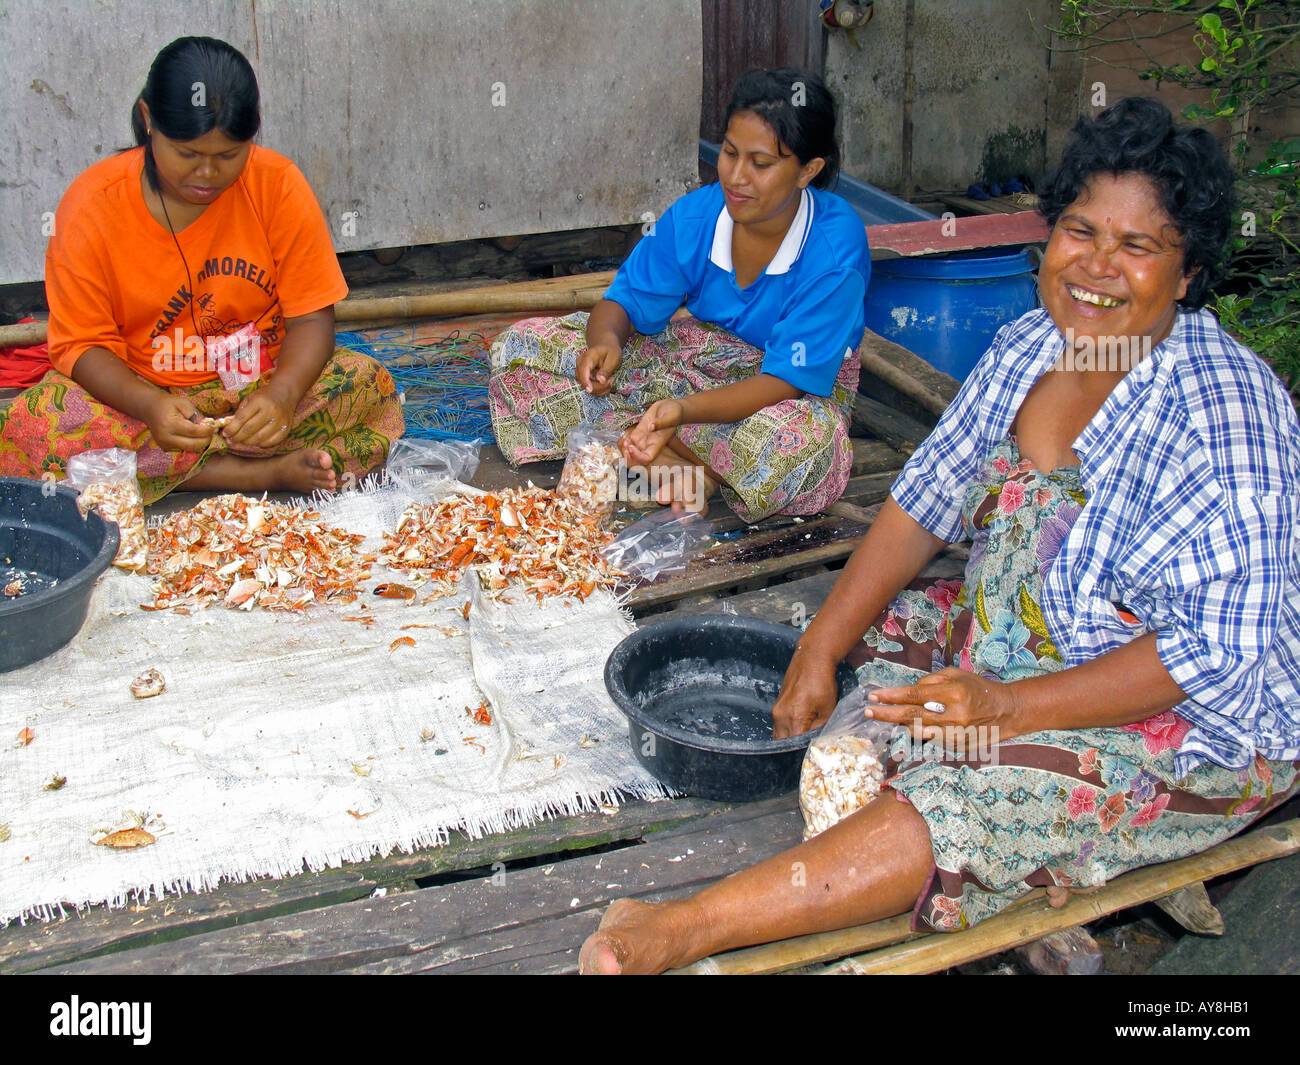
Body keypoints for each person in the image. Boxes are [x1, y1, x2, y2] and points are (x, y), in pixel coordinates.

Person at [579, 97, 1300, 974]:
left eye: (1138, 247)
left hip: (1183, 720)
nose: (1097, 267)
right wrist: (819, 644)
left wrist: (1007, 708)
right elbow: (924, 501)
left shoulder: (1229, 418)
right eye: (1080, 231)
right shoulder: (1032, 343)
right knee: (850, 633)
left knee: (973, 789)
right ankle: (923, 801)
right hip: (1028, 642)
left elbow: (1214, 658)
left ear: (1187, 275)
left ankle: (688, 925)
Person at [0, 36, 403, 502]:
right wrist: (150, 405)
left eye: (229, 155)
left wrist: (282, 398)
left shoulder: (278, 185)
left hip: (257, 384)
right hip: (141, 396)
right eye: (187, 154)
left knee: (368, 384)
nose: (207, 174)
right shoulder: (92, 205)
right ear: (149, 121)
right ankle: (254, 475)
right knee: (37, 421)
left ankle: (189, 469)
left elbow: (311, 318)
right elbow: (82, 346)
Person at [488, 68, 869, 520]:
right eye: (729, 153)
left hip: (788, 394)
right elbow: (624, 301)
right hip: (692, 363)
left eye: (760, 164)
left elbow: (784, 380)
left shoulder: (834, 249)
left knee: (798, 447)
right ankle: (680, 467)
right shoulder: (701, 214)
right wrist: (605, 345)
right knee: (520, 347)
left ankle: (651, 452)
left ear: (808, 170)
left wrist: (680, 412)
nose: (736, 177)